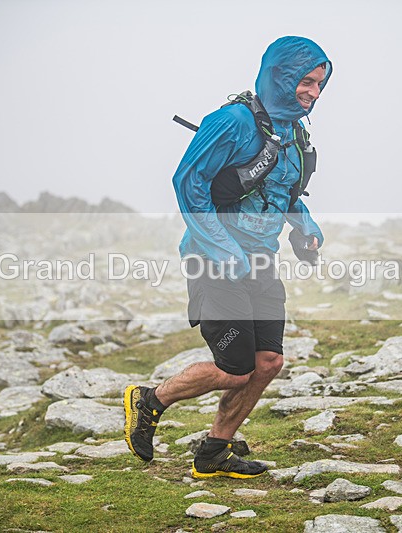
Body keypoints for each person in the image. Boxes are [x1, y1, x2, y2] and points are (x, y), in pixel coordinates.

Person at [125, 36, 331, 478]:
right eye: (307, 82)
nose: (314, 93)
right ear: (282, 74)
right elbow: (188, 183)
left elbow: (284, 194)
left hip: (261, 262)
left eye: (320, 85)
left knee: (268, 363)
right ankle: (149, 400)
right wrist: (223, 249)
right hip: (211, 258)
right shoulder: (233, 120)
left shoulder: (293, 134)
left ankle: (215, 450)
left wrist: (306, 228)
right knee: (236, 370)